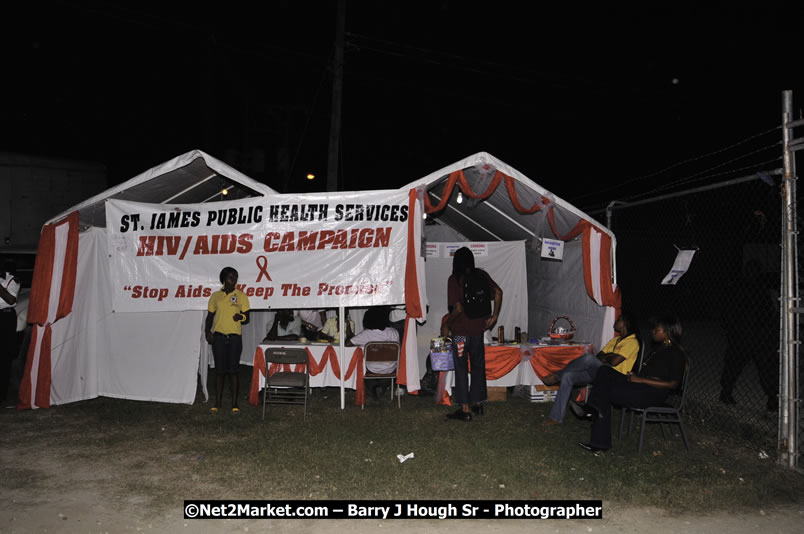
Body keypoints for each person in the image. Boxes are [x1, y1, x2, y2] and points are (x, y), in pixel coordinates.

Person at [575, 315, 686, 452]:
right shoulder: (659, 350)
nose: (653, 331)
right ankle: (591, 409)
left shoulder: (676, 353)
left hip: (652, 394)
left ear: (667, 333)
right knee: (604, 371)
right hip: (640, 386)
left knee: (605, 391)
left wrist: (640, 379)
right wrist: (635, 377)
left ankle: (599, 440)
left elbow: (673, 384)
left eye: (657, 329)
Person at [542, 312, 640, 426]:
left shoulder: (632, 342)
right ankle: (556, 417)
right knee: (568, 376)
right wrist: (610, 356)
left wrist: (607, 357)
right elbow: (599, 357)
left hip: (615, 377)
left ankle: (557, 376)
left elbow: (614, 362)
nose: (616, 321)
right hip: (601, 372)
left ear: (625, 323)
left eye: (619, 320)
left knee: (588, 358)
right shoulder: (615, 340)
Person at [443, 247, 503, 422]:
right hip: (478, 330)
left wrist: (447, 324)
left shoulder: (454, 279)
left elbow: (457, 308)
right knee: (478, 366)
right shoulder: (481, 275)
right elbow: (498, 292)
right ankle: (478, 404)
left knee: (461, 368)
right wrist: (494, 316)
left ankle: (465, 409)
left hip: (461, 333)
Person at [718, 260, 779, 411]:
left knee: (763, 367)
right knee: (737, 365)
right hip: (748, 334)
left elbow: (768, 313)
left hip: (754, 335)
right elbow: (727, 312)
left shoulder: (757, 289)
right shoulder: (742, 289)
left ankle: (772, 398)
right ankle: (727, 392)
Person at [205, 267, 250, 413]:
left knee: (233, 371)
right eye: (231, 277)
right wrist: (207, 331)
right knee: (219, 371)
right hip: (218, 338)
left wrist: (240, 317)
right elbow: (210, 316)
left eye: (235, 277)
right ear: (224, 278)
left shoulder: (241, 296)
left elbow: (247, 317)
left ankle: (235, 404)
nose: (234, 280)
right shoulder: (216, 296)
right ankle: (217, 403)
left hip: (234, 338)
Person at [346, 306, 400, 399]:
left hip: (371, 369)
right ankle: (381, 387)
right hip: (390, 369)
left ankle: (373, 387)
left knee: (361, 365)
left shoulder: (366, 334)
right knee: (385, 371)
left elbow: (347, 344)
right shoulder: (394, 332)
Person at [0, 260, 20, 403]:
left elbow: (11, 300)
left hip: (5, 317)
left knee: (4, 357)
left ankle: (2, 394)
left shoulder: (12, 279)